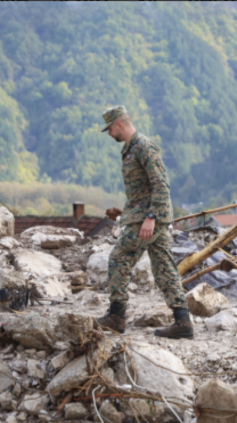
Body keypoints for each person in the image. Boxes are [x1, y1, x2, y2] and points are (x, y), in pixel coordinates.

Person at [95, 106, 193, 339]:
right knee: (164, 269)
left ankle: (116, 316)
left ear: (119, 124)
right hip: (146, 217)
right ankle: (183, 322)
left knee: (119, 258)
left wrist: (151, 218)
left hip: (148, 219)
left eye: (110, 129)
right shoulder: (131, 149)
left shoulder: (144, 147)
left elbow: (161, 184)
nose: (109, 134)